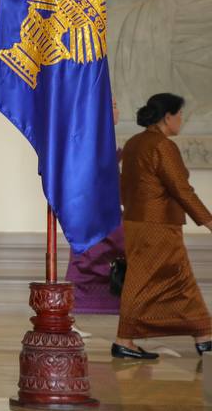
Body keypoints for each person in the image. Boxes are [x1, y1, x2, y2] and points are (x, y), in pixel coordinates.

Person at [112, 93, 212, 360]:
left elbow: (124, 185)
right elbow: (181, 190)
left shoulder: (134, 143)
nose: (181, 119)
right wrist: (209, 221)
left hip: (136, 222)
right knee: (144, 281)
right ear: (168, 117)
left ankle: (204, 335)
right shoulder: (163, 146)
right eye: (179, 114)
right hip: (157, 226)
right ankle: (124, 340)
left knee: (180, 280)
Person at [67, 98, 124, 314]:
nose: (118, 111)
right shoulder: (91, 140)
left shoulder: (103, 138)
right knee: (89, 258)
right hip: (94, 213)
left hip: (108, 210)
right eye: (113, 106)